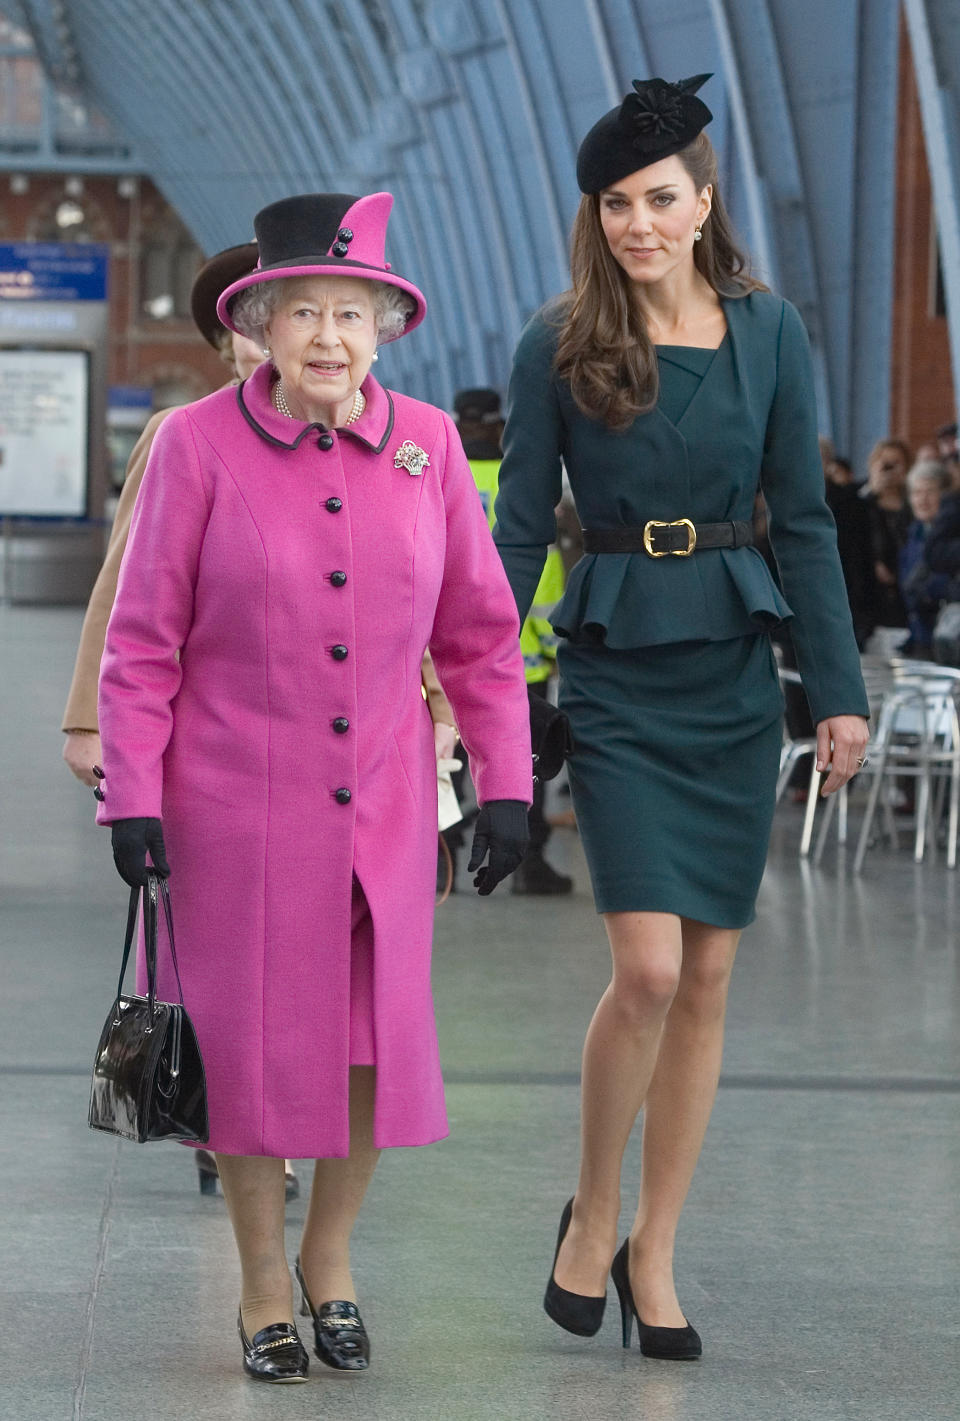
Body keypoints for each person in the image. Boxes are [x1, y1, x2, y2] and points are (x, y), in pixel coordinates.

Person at [94, 190, 532, 1382]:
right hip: (231, 808)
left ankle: (330, 1261)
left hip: (386, 807)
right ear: (264, 326)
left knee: (368, 1048)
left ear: (386, 326)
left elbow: (483, 636)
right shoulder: (196, 446)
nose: (329, 337)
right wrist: (130, 792)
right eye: (304, 313)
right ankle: (256, 1284)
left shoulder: (431, 446)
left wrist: (506, 780)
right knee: (245, 1053)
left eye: (351, 312)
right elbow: (144, 643)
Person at [492, 74, 869, 1360]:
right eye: (616, 204)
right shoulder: (556, 339)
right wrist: (475, 678)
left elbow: (805, 522)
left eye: (661, 199)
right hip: (612, 657)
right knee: (647, 965)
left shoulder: (773, 334)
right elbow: (512, 528)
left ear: (704, 202)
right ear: (593, 215)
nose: (639, 223)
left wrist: (838, 691)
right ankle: (590, 1209)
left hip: (730, 664)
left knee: (708, 972)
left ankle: (656, 1239)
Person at [61, 242, 308, 1201]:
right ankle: (230, 1118)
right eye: (249, 332)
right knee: (220, 944)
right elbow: (123, 590)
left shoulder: (357, 435)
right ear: (229, 343)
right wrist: (94, 725)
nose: (266, 350)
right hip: (207, 736)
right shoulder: (183, 434)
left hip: (321, 740)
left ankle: (275, 1115)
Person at [453, 386, 573, 893]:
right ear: (501, 427)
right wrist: (549, 644)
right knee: (527, 760)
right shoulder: (515, 480)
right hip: (522, 663)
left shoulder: (439, 476)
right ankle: (531, 864)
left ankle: (442, 857)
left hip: (447, 660)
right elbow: (541, 569)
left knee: (447, 761)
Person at [898, 459, 954, 655]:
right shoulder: (913, 534)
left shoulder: (950, 537)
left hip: (949, 637)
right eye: (916, 492)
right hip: (919, 639)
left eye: (930, 491)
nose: (923, 499)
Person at [861, 438, 912, 647]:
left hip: (905, 584)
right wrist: (872, 491)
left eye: (896, 464)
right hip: (871, 589)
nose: (890, 470)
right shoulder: (863, 500)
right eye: (885, 464)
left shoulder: (912, 500)